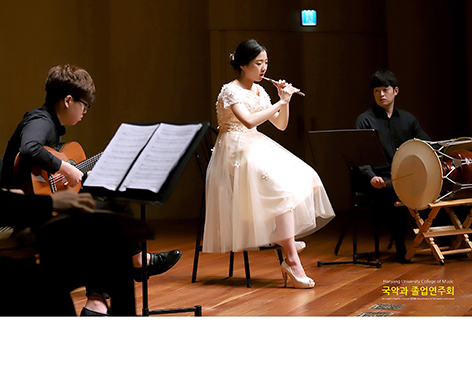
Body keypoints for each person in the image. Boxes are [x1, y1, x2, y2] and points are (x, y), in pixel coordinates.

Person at [1, 64, 181, 315]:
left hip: (33, 206)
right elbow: (30, 148)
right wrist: (65, 167)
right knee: (105, 209)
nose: (85, 111)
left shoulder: (51, 126)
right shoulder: (40, 120)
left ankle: (103, 296)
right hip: (22, 211)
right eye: (84, 105)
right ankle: (126, 271)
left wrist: (64, 174)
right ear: (68, 101)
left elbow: (41, 168)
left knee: (108, 201)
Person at [202, 39, 335, 288]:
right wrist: (280, 103)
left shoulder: (260, 90)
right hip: (234, 151)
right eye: (258, 63)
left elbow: (281, 125)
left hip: (254, 146)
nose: (264, 68)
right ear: (243, 65)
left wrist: (285, 100)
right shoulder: (230, 90)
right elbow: (249, 121)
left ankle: (282, 236)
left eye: (266, 62)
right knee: (281, 189)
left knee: (305, 175)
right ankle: (291, 259)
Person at [355, 69, 430, 262]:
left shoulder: (408, 119)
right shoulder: (365, 120)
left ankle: (445, 241)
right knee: (395, 190)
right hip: (379, 178)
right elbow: (360, 157)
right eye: (376, 90)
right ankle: (401, 247)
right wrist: (371, 177)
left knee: (435, 187)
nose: (381, 94)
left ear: (395, 91)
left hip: (405, 175)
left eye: (385, 89)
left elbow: (427, 144)